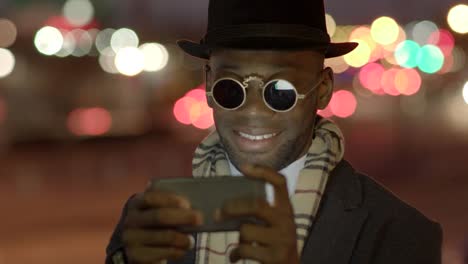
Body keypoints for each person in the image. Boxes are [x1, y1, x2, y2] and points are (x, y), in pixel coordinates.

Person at [105, 0, 443, 263]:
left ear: (323, 89)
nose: (253, 111)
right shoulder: (150, 221)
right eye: (231, 89)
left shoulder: (399, 234)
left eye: (279, 91)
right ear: (209, 85)